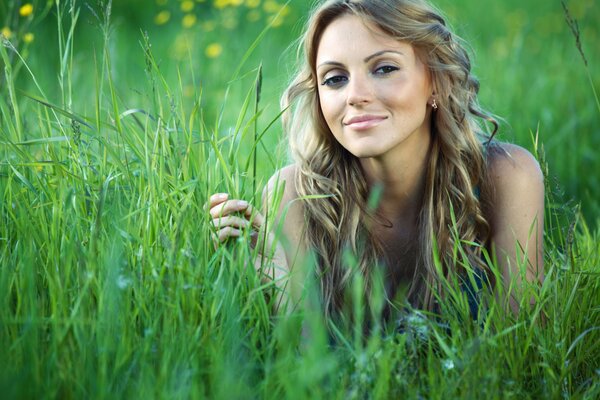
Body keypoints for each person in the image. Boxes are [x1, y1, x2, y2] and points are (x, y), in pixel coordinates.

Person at [208, 0, 544, 322]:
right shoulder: (298, 195)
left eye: (384, 69)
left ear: (436, 83)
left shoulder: (506, 177)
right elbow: (305, 364)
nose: (355, 96)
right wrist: (282, 279)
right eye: (335, 78)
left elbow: (519, 357)